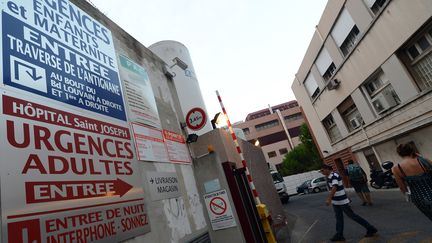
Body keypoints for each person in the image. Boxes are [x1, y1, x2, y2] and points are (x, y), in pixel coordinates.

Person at [320, 164, 378, 241]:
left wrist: (329, 199)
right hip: (336, 201)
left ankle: (370, 228)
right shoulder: (330, 176)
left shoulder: (334, 176)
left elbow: (334, 187)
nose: (322, 172)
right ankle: (339, 234)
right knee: (339, 218)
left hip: (341, 201)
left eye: (322, 170)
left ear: (327, 169)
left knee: (352, 216)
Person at [393, 143, 432, 221]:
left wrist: (407, 196)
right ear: (412, 151)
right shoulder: (423, 161)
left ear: (399, 154)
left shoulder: (396, 168)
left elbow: (402, 187)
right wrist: (421, 157)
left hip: (419, 198)